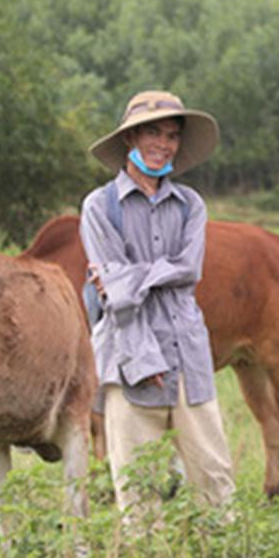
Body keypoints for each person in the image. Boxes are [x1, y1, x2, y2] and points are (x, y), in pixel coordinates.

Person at [80, 89, 235, 521]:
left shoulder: (190, 205)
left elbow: (189, 270)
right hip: (128, 362)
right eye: (152, 132)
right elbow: (118, 301)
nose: (162, 144)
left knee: (215, 478)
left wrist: (129, 276)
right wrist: (145, 359)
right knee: (135, 490)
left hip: (188, 356)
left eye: (171, 135)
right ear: (130, 139)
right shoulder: (99, 206)